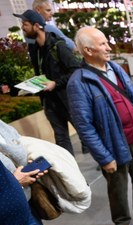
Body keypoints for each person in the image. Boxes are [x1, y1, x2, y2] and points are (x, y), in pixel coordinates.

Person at [67, 26, 133, 225]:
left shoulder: (116, 69)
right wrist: (104, 157)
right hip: (113, 144)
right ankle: (122, 221)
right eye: (102, 44)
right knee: (117, 186)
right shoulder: (79, 82)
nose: (109, 47)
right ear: (88, 50)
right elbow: (84, 126)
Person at [14, 10, 81, 156]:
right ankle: (72, 173)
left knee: (85, 134)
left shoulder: (58, 46)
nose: (22, 27)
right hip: (50, 102)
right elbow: (41, 73)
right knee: (61, 138)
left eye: (25, 24)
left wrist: (55, 83)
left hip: (67, 100)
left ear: (36, 26)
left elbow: (76, 70)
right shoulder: (34, 49)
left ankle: (108, 164)